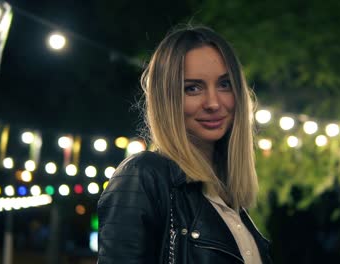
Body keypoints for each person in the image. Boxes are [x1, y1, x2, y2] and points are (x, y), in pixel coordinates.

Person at [97, 26, 272, 264]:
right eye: (193, 88)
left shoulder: (227, 199)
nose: (213, 103)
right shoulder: (143, 175)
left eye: (224, 84)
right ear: (167, 98)